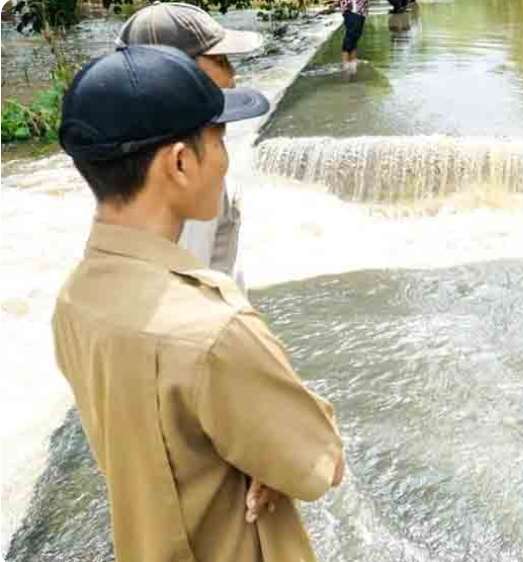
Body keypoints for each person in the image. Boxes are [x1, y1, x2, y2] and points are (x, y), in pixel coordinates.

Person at [53, 45, 345, 561]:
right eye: (219, 140)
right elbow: (317, 462)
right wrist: (270, 457)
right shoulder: (213, 330)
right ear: (182, 163)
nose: (225, 160)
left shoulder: (76, 300)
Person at [118, 2, 264, 287]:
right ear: (174, 73)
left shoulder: (128, 151)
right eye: (220, 62)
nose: (232, 77)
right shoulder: (183, 173)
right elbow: (181, 294)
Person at [339, 0, 369, 66]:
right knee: (350, 35)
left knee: (356, 35)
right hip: (351, 8)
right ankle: (345, 62)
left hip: (361, 9)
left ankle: (353, 60)